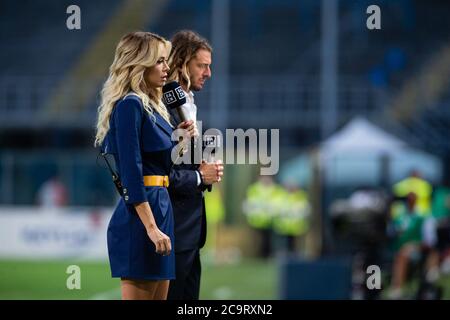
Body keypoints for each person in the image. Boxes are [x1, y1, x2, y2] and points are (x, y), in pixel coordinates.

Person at [94, 31, 196, 300]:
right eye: (160, 61)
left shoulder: (154, 106)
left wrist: (183, 140)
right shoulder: (130, 105)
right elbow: (132, 172)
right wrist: (151, 227)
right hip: (142, 214)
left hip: (161, 206)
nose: (166, 68)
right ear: (139, 63)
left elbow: (160, 163)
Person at [166, 30, 224, 300]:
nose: (208, 72)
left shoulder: (185, 101)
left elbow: (182, 160)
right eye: (202, 65)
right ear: (182, 63)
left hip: (189, 230)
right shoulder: (166, 102)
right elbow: (160, 171)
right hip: (173, 228)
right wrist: (201, 175)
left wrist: (204, 164)